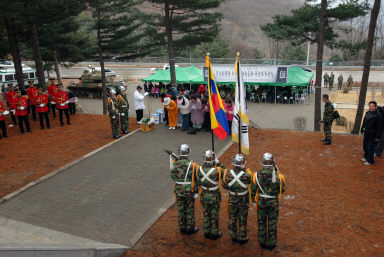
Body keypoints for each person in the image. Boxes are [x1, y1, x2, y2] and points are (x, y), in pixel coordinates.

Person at [251, 153, 286, 250]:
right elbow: (282, 190)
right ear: (272, 164)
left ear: (262, 163)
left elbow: (253, 190)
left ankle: (262, 241)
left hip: (261, 202)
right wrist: (277, 171)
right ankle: (272, 242)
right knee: (272, 222)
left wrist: (254, 201)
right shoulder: (277, 176)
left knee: (261, 222)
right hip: (273, 202)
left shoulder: (256, 175)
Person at [222, 154, 252, 244]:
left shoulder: (227, 174)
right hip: (243, 199)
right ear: (242, 164)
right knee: (242, 218)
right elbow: (250, 181)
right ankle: (242, 237)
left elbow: (224, 185)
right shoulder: (246, 175)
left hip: (232, 199)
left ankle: (233, 236)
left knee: (232, 218)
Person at [170, 144, 199, 234]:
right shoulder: (192, 164)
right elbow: (196, 178)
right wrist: (196, 191)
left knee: (181, 208)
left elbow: (173, 176)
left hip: (179, 189)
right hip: (188, 190)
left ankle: (182, 226)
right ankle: (190, 228)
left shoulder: (175, 163)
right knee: (189, 208)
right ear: (188, 152)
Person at [196, 150, 224, 240]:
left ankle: (207, 231)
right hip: (214, 195)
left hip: (204, 194)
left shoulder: (199, 169)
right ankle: (214, 233)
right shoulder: (216, 171)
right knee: (214, 214)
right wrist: (218, 163)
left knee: (206, 213)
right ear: (213, 159)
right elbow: (225, 171)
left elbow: (197, 181)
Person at [361, 101, 382, 165]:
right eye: (370, 106)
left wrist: (377, 137)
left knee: (370, 148)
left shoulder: (378, 115)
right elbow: (364, 122)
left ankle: (370, 161)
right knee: (365, 146)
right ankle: (366, 157)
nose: (371, 107)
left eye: (372, 106)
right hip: (367, 133)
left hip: (373, 135)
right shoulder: (367, 113)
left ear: (375, 107)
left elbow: (379, 127)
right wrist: (362, 130)